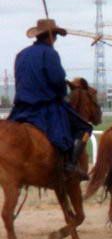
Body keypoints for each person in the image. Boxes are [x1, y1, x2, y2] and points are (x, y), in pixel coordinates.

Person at [9, 18, 93, 180]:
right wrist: (62, 93)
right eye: (55, 36)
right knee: (84, 128)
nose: (56, 39)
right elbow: (57, 81)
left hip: (20, 108)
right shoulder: (50, 53)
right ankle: (71, 164)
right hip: (46, 108)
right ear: (52, 36)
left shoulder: (21, 54)